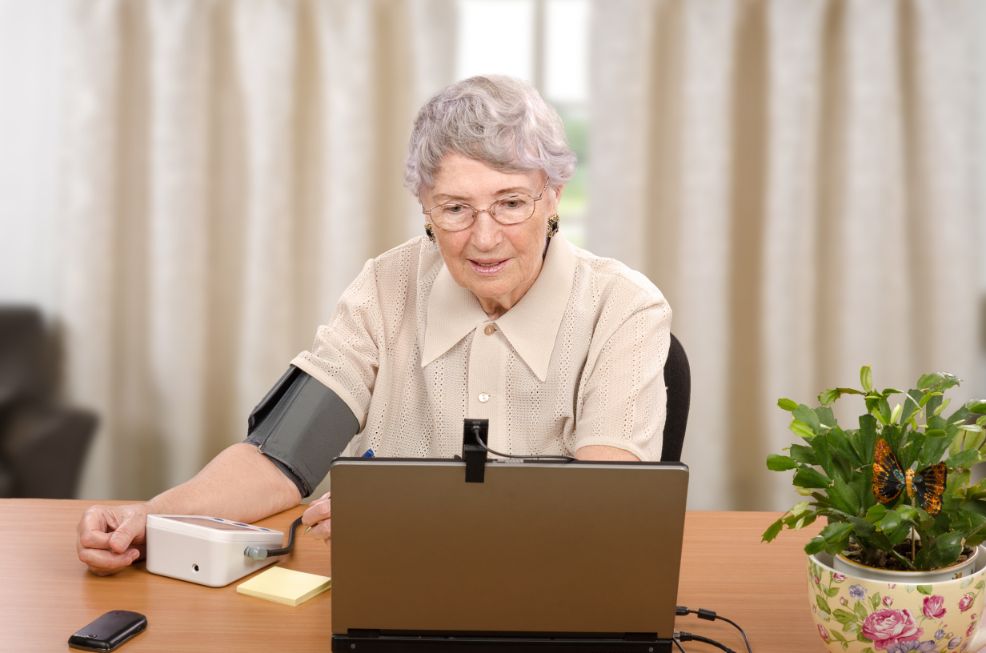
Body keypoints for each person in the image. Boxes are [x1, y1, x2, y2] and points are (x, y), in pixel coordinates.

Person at [76, 75, 672, 575]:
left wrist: (422, 518)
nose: (484, 238)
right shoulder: (386, 286)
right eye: (456, 208)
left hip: (554, 591)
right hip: (390, 587)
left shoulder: (624, 308)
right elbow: (281, 458)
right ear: (425, 209)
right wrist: (149, 518)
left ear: (553, 197)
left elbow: (602, 508)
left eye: (511, 202)